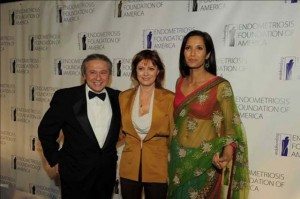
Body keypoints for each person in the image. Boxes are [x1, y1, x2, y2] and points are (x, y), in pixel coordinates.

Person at [168, 30, 250, 199]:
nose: (192, 53)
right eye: (188, 48)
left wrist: (226, 156)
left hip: (205, 162)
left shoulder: (221, 86)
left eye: (199, 48)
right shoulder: (179, 82)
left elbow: (231, 129)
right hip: (178, 160)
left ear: (208, 54)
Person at [38, 54, 121, 199]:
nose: (98, 77)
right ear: (84, 75)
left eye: (103, 72)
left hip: (106, 173)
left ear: (109, 75)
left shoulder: (119, 98)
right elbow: (46, 131)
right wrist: (55, 159)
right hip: (74, 172)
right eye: (92, 72)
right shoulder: (66, 97)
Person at [119, 49, 174, 199]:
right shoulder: (123, 97)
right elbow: (116, 132)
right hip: (129, 166)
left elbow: (175, 135)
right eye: (141, 68)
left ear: (158, 72)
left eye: (151, 68)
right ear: (135, 71)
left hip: (158, 166)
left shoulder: (170, 98)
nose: (145, 73)